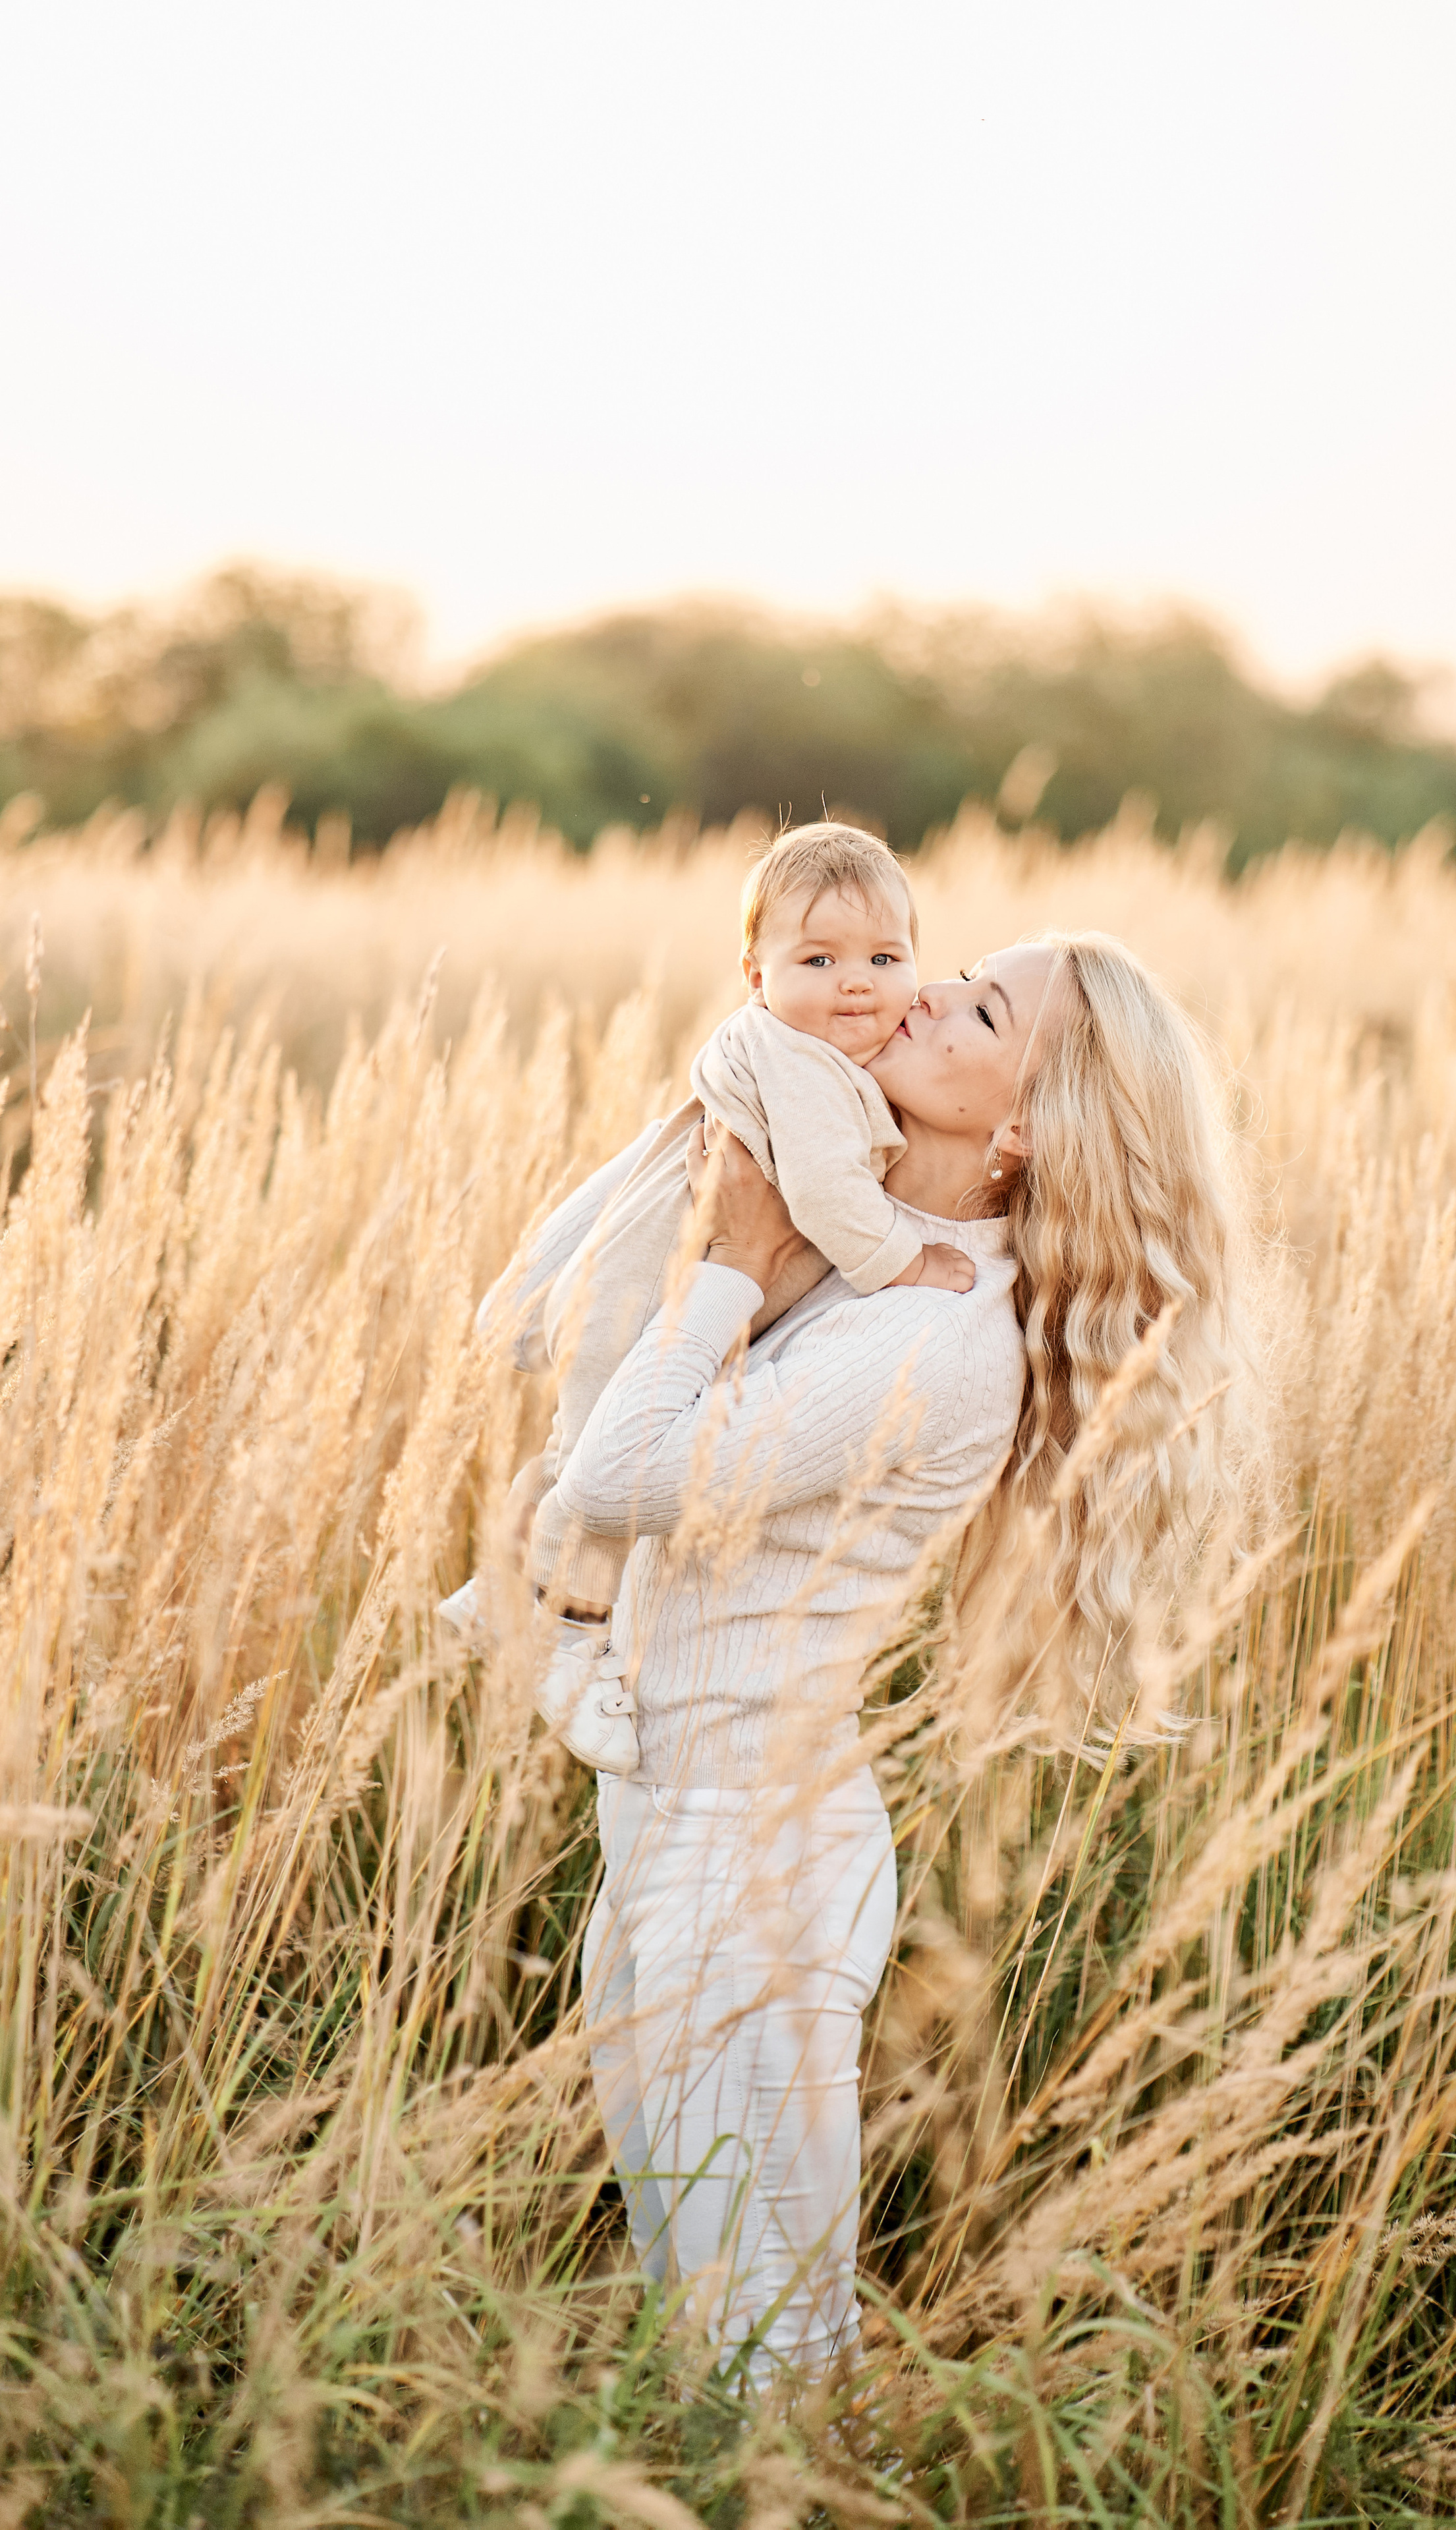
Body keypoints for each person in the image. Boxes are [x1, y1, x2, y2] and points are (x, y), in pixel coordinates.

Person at [477, 929, 1252, 2386]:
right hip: (673, 1830)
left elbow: (616, 1481)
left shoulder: (936, 1334)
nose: (913, 997)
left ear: (1021, 1130)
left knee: (763, 2374)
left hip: (749, 1875)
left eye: (973, 1008)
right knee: (721, 2341)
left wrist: (724, 1268)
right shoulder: (873, 1260)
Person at [438, 823, 973, 1773]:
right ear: (754, 973)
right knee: (601, 1464)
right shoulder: (798, 1061)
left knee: (576, 1448)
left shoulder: (821, 1053)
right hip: (653, 1287)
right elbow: (822, 1192)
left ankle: (495, 1588)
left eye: (886, 958)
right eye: (819, 958)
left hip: (672, 1278)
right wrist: (907, 1260)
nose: (857, 982)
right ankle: (567, 1637)